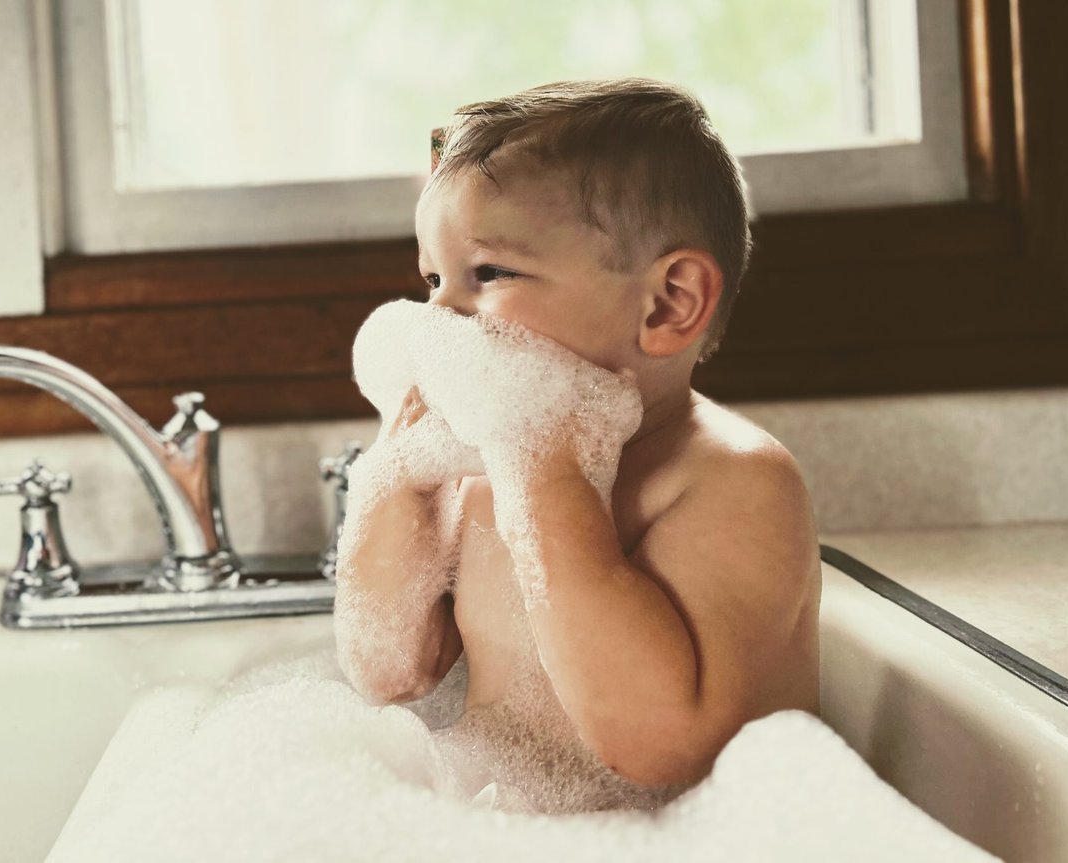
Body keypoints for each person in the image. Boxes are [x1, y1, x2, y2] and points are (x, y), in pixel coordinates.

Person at [333, 78, 822, 809]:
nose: (439, 313)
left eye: (487, 273)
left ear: (669, 302)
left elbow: (656, 748)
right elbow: (392, 669)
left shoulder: (732, 482)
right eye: (434, 278)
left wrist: (547, 476)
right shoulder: (486, 470)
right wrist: (399, 474)